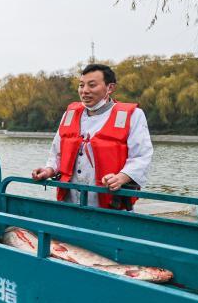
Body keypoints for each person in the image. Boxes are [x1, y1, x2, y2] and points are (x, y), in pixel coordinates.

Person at [32, 63, 153, 210]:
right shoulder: (69, 114)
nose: (85, 91)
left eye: (92, 85)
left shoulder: (133, 115)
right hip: (69, 202)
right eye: (81, 85)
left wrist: (121, 177)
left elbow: (141, 157)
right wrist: (48, 170)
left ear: (110, 88)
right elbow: (56, 153)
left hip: (110, 204)